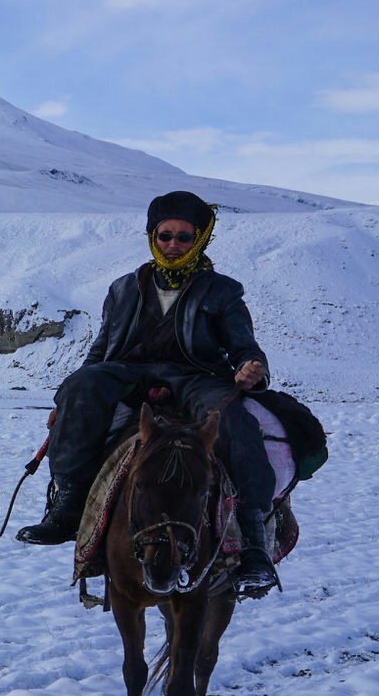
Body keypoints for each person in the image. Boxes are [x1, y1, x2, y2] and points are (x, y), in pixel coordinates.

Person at [16, 189, 280, 598]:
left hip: (195, 376)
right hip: (129, 372)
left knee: (232, 423)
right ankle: (67, 505)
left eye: (183, 237)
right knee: (81, 386)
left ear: (201, 239)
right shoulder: (123, 288)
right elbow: (101, 350)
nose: (173, 245)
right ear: (151, 237)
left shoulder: (222, 292)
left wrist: (251, 367)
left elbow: (244, 345)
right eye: (165, 236)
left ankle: (252, 542)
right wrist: (71, 397)